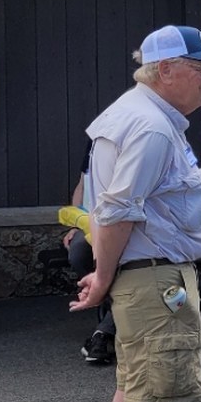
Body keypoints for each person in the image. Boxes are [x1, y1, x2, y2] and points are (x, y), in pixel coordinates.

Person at [68, 24, 201, 402]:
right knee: (148, 400)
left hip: (144, 275)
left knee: (134, 390)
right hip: (154, 279)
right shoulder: (152, 128)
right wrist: (102, 278)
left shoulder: (136, 114)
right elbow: (117, 211)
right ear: (165, 70)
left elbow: (108, 206)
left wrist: (106, 273)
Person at [65, 140, 117, 365]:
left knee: (124, 265)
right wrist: (74, 224)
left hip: (118, 223)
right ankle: (109, 303)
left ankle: (103, 332)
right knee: (77, 253)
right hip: (89, 221)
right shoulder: (95, 142)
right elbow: (82, 184)